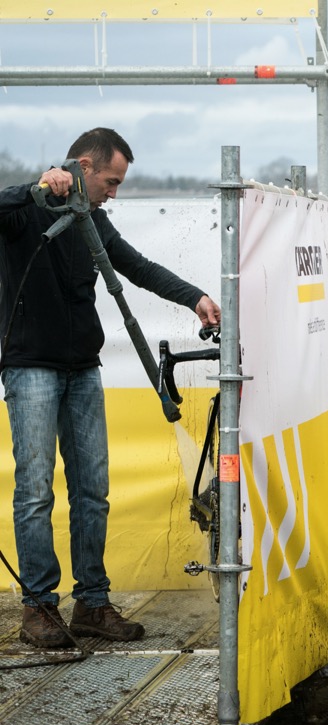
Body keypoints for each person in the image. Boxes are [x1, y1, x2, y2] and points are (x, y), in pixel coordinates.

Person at [0, 127, 222, 648]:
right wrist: (35, 186)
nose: (114, 193)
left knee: (92, 490)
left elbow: (138, 268)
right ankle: (38, 608)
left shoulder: (92, 220)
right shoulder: (24, 210)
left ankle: (92, 604)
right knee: (34, 490)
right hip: (30, 365)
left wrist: (195, 298)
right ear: (82, 166)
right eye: (111, 181)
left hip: (82, 368)